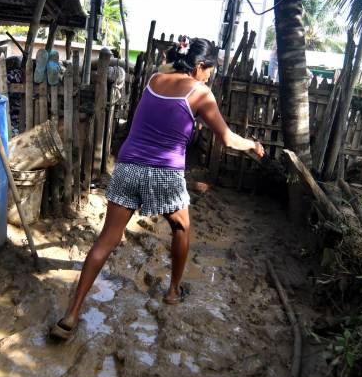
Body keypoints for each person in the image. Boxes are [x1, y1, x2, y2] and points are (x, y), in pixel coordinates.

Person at [50, 38, 265, 340]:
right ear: (201, 66)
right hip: (165, 173)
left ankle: (71, 314)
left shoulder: (154, 79)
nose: (209, 78)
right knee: (182, 228)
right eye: (209, 72)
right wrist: (253, 146)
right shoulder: (201, 92)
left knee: (106, 240)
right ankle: (173, 291)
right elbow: (227, 139)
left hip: (127, 167)